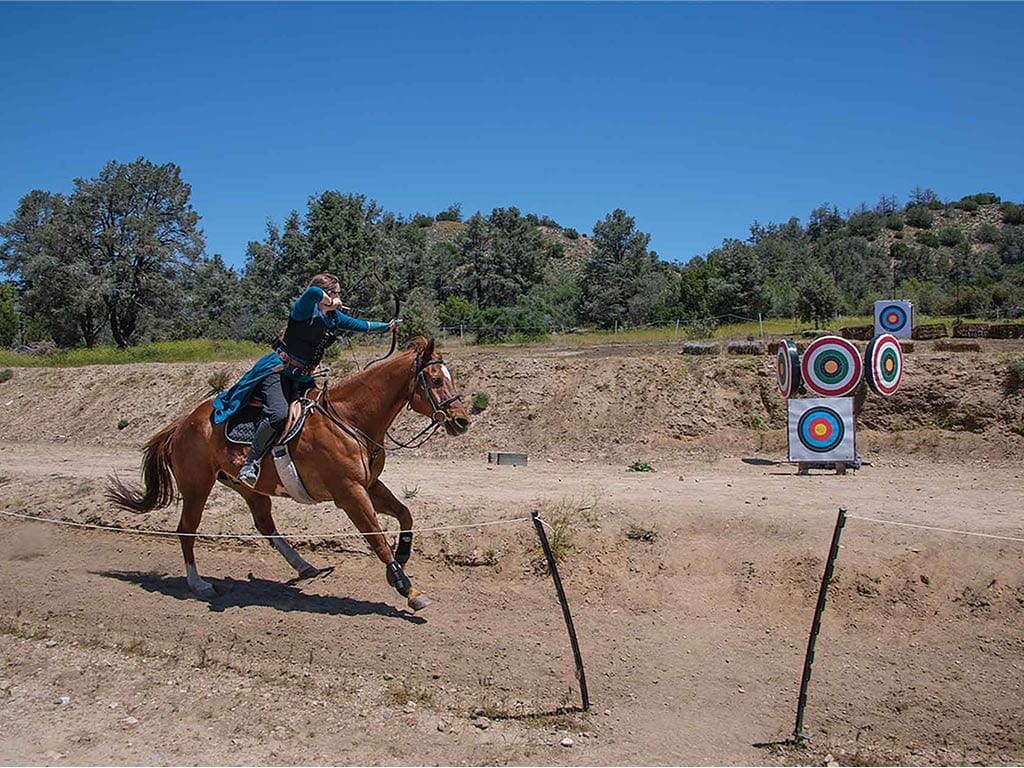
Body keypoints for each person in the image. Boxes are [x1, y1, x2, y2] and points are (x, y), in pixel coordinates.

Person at [212, 272, 399, 488]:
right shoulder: (304, 310)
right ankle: (250, 464)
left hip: (303, 379)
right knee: (278, 415)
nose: (340, 298)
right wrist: (330, 300)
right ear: (328, 293)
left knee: (323, 414)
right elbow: (312, 292)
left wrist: (387, 326)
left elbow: (361, 325)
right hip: (278, 372)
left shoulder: (333, 318)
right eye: (337, 292)